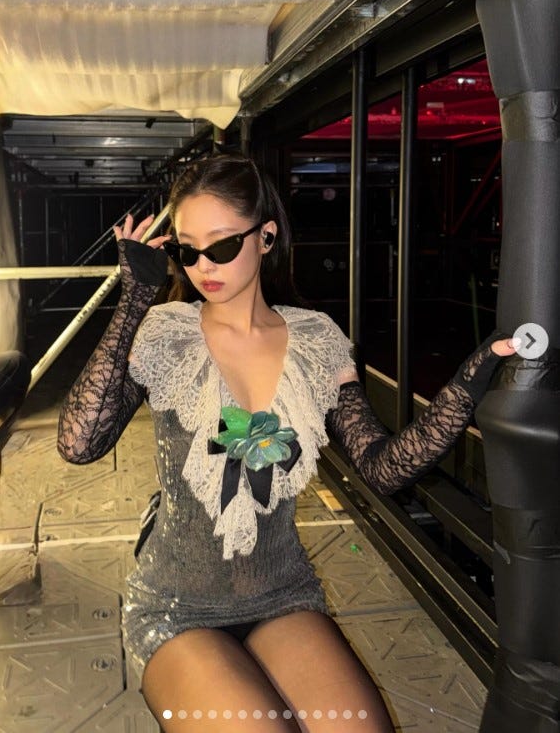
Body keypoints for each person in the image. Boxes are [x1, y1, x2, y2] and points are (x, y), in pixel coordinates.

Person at [58, 153, 517, 732]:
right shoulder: (166, 332)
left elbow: (382, 467)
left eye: (223, 246)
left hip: (281, 594)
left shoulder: (315, 340)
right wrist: (132, 301)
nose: (203, 267)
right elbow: (79, 443)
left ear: (267, 236)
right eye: (187, 251)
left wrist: (471, 381)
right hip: (176, 607)